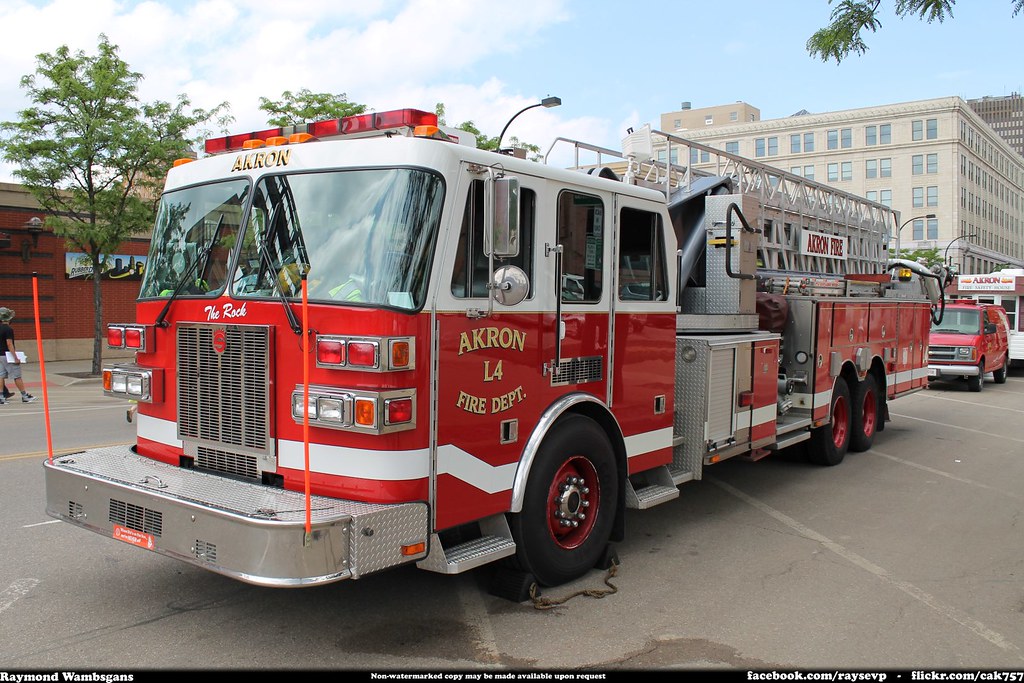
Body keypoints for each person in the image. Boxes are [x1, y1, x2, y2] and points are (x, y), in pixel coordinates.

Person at [0, 307, 36, 404]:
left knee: (1, 376)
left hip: (0, 355)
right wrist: (15, 357)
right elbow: (9, 343)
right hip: (7, 355)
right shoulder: (8, 329)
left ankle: (1, 397)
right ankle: (24, 395)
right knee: (17, 376)